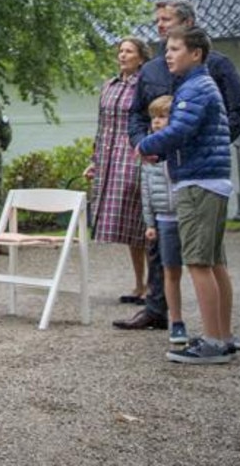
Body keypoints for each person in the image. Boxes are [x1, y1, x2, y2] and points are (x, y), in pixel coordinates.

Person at [116, 0, 240, 332]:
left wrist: (201, 145)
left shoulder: (208, 74)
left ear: (189, 27)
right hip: (169, 169)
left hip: (197, 172)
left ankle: (216, 337)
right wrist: (143, 146)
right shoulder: (154, 70)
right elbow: (136, 115)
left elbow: (202, 122)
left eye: (167, 20)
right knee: (166, 248)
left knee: (201, 260)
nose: (159, 27)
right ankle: (162, 313)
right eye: (157, 21)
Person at [137, 26, 237, 363]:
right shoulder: (197, 86)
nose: (168, 54)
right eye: (167, 49)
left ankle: (212, 342)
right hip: (209, 179)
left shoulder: (195, 88)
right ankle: (223, 337)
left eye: (176, 48)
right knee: (215, 263)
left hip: (199, 183)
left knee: (196, 262)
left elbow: (179, 130)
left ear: (196, 54)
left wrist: (145, 146)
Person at [84, 38, 151, 305]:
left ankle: (154, 287)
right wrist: (94, 159)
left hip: (133, 156)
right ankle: (138, 284)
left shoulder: (145, 86)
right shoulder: (109, 86)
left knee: (142, 221)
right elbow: (102, 127)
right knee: (127, 223)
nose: (122, 55)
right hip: (109, 157)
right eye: (120, 51)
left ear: (141, 58)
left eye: (128, 51)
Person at [139, 96, 186, 346]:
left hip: (187, 213)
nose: (157, 122)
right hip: (163, 217)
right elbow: (145, 192)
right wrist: (149, 223)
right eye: (154, 118)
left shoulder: (184, 148)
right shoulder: (148, 154)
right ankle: (176, 321)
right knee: (170, 270)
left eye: (162, 116)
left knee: (202, 266)